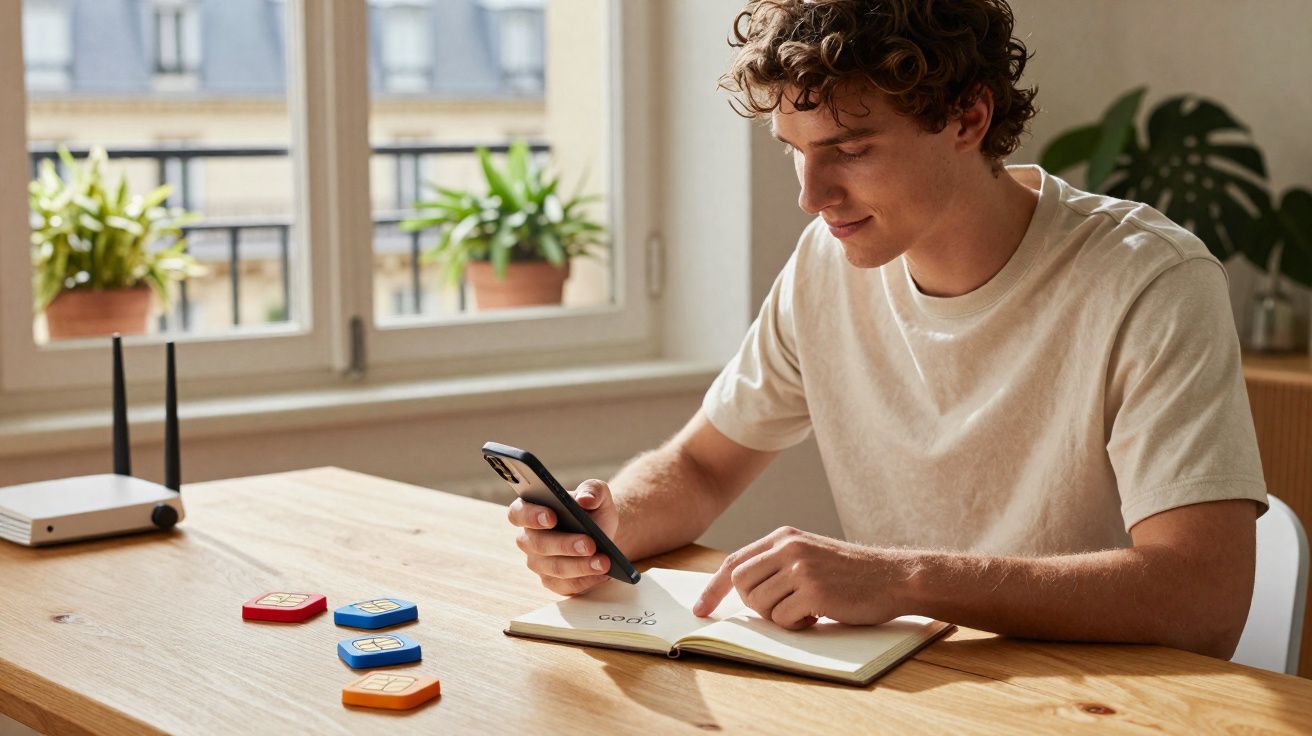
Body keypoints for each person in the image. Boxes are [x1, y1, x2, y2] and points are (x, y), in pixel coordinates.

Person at [507, 0, 1267, 659]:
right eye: (795, 153)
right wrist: (604, 525)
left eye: (851, 150)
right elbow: (703, 468)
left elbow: (1202, 601)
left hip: (1096, 703)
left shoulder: (1150, 280)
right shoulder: (825, 265)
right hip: (908, 692)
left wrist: (902, 579)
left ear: (969, 118)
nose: (811, 196)